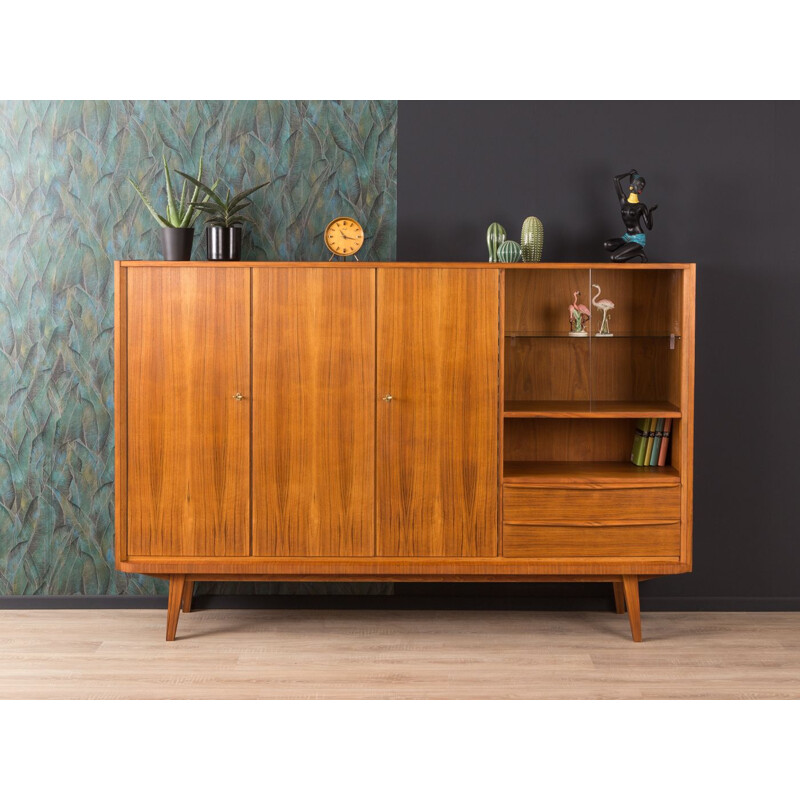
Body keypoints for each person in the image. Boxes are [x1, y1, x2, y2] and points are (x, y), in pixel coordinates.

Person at [604, 169, 658, 262]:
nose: (641, 187)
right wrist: (629, 173)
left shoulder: (641, 206)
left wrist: (650, 213)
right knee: (607, 245)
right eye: (639, 184)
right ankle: (634, 251)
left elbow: (649, 227)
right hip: (627, 236)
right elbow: (616, 179)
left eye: (643, 186)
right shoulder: (623, 201)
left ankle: (640, 253)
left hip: (638, 239)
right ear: (632, 185)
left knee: (614, 258)